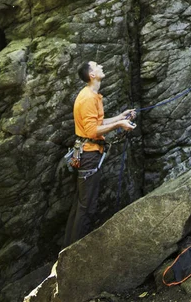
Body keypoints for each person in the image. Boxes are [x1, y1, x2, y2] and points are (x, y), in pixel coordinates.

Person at [63, 60, 136, 247]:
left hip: (88, 154)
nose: (101, 66)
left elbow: (98, 123)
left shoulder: (91, 95)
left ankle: (68, 249)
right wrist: (120, 125)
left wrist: (121, 117)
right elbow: (92, 131)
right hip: (88, 156)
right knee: (87, 207)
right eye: (97, 66)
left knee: (81, 205)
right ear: (92, 75)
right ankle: (74, 253)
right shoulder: (87, 98)